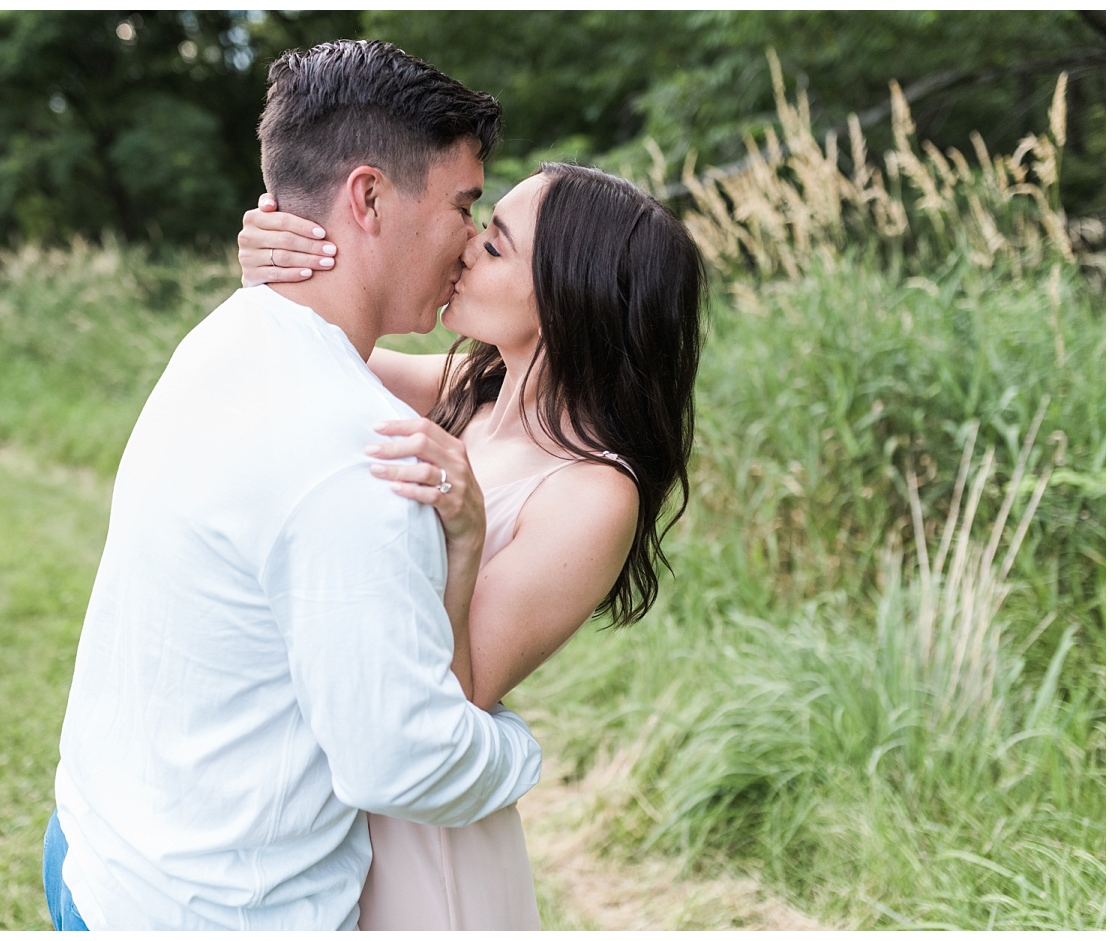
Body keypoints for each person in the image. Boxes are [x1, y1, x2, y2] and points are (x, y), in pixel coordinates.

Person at [44, 40, 544, 931]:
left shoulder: (231, 333)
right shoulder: (362, 454)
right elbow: (402, 762)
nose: (472, 240)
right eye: (465, 204)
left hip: (97, 848)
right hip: (213, 911)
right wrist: (521, 749)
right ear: (367, 197)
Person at [236, 161, 706, 928]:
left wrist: (465, 538)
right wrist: (276, 263)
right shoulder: (469, 390)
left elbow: (460, 692)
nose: (463, 251)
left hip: (423, 837)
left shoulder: (593, 491)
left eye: (493, 247)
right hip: (347, 780)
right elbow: (316, 344)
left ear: (566, 295)